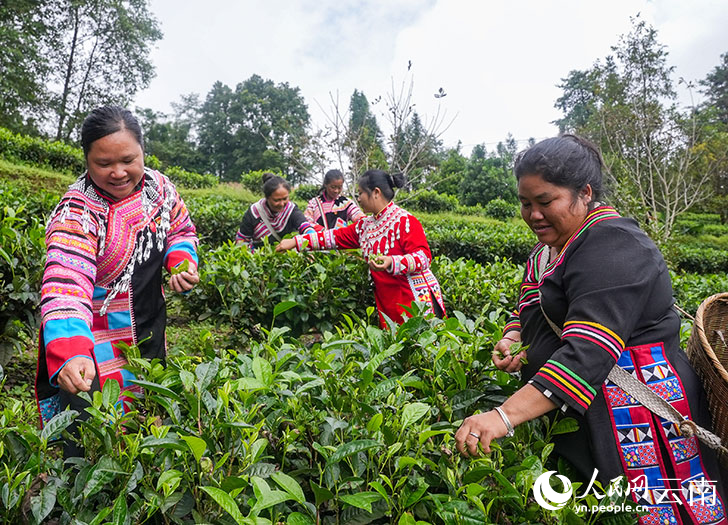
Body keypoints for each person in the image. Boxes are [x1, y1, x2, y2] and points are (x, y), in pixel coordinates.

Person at [454, 135, 726, 524]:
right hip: (584, 405)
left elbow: (589, 351)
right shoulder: (553, 245)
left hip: (636, 411)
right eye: (525, 203)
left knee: (656, 511)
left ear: (584, 193)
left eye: (545, 202)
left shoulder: (614, 245)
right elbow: (536, 303)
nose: (533, 214)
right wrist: (515, 336)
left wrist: (503, 417)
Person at [34, 106, 199, 455]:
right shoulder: (77, 212)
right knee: (90, 424)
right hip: (91, 334)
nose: (119, 172)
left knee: (150, 410)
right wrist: (70, 349)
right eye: (103, 163)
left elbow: (181, 229)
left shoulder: (159, 188)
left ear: (143, 151)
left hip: (149, 318)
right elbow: (66, 280)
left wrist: (180, 260)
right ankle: (85, 498)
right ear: (86, 159)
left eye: (129, 159)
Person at [276, 169, 445, 327]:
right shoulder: (364, 226)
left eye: (361, 194)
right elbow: (332, 237)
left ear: (376, 193)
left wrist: (392, 261)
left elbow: (423, 257)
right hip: (389, 301)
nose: (359, 199)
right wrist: (296, 242)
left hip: (415, 299)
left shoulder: (405, 221)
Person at [235, 172, 314, 250]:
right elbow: (243, 240)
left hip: (288, 259)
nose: (282, 204)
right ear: (267, 197)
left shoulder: (291, 210)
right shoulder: (254, 213)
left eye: (285, 199)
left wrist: (311, 239)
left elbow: (306, 228)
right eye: (277, 200)